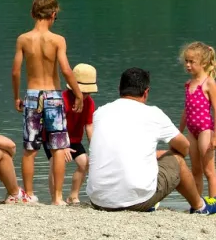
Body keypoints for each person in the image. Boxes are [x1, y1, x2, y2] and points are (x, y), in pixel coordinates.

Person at [87, 67, 216, 214]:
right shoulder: (153, 114)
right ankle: (200, 206)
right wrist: (168, 154)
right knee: (178, 160)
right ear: (146, 92)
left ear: (119, 89)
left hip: (98, 200)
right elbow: (184, 147)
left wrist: (153, 155)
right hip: (136, 202)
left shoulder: (100, 113)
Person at [11, 0, 83, 205]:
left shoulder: (23, 39)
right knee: (58, 148)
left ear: (33, 14)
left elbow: (15, 71)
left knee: (29, 149)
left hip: (32, 95)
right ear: (53, 14)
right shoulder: (57, 40)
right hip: (53, 95)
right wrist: (78, 94)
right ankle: (58, 197)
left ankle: (30, 195)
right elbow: (66, 70)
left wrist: (16, 97)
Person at [45, 62, 97, 205]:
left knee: (85, 163)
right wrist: (63, 147)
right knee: (56, 162)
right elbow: (53, 127)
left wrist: (95, 147)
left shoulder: (89, 103)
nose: (85, 95)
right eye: (83, 91)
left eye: (88, 92)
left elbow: (89, 126)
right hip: (53, 136)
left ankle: (73, 196)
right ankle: (56, 198)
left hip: (73, 139)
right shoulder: (61, 100)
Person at [178, 42, 216, 198]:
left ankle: (213, 202)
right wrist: (178, 131)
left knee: (208, 170)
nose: (187, 65)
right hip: (191, 131)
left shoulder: (209, 83)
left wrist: (214, 137)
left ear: (204, 63)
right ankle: (198, 203)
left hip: (205, 130)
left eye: (192, 62)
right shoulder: (188, 84)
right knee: (195, 170)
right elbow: (186, 111)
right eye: (186, 61)